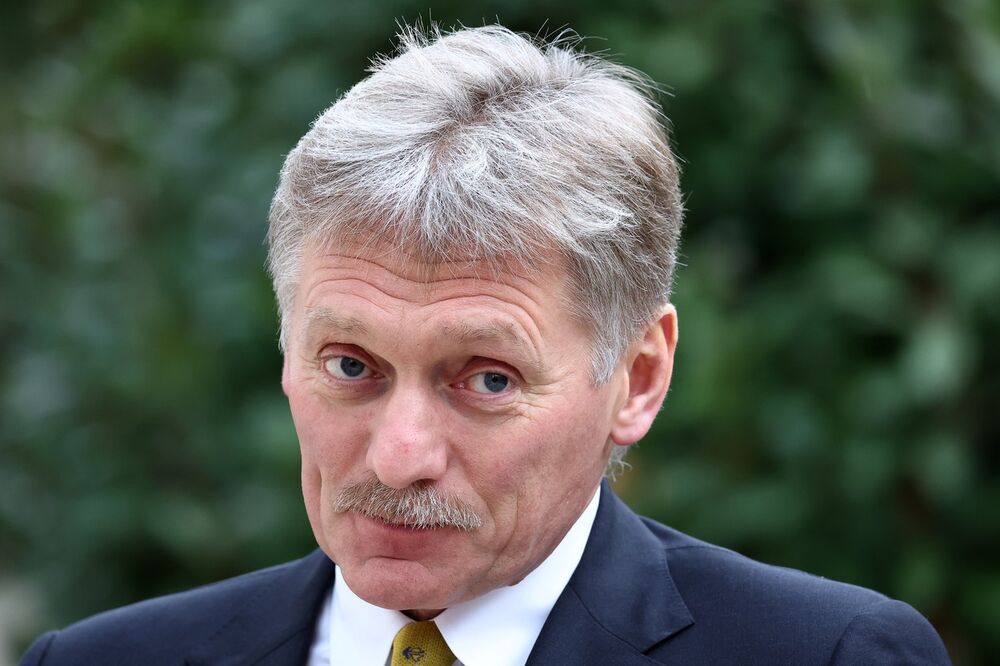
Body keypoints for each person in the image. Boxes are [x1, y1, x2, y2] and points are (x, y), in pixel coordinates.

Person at [22, 24, 950, 666]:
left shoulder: (827, 656)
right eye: (351, 366)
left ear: (638, 377)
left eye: (486, 379)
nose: (399, 456)